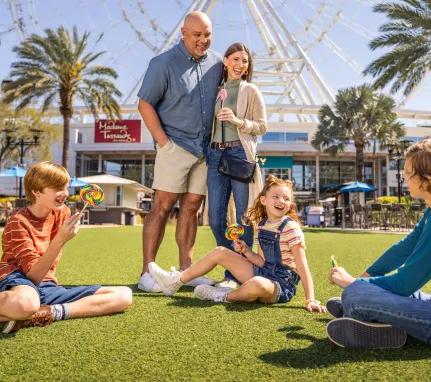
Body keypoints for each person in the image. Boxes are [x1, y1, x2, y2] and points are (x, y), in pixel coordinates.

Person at [326, 138, 431, 350]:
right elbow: (404, 249)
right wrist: (366, 276)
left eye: (408, 171)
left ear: (430, 177)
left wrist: (353, 284)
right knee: (358, 292)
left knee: (355, 294)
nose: (403, 176)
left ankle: (367, 314)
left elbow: (405, 283)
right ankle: (370, 315)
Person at [0, 162, 132, 333]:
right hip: (16, 279)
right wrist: (60, 240)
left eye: (66, 187)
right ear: (36, 192)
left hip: (47, 286)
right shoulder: (18, 222)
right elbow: (32, 277)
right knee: (26, 302)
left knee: (123, 296)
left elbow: (42, 281)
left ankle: (48, 312)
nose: (65, 194)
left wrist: (50, 309)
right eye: (57, 188)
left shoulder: (62, 213)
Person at [147, 176, 326, 312]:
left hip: (281, 284)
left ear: (290, 204)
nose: (281, 201)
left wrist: (310, 298)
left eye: (286, 199)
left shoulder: (291, 228)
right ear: (264, 200)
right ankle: (175, 281)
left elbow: (303, 267)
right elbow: (262, 262)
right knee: (220, 251)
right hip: (262, 271)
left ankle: (224, 296)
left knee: (257, 284)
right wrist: (247, 252)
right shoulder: (262, 225)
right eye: (276, 196)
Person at [136, 11, 223, 292]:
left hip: (204, 150)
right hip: (175, 145)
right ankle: (147, 271)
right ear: (183, 33)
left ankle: (187, 269)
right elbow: (145, 104)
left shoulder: (217, 64)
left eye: (207, 35)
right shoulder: (162, 64)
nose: (203, 40)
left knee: (192, 208)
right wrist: (163, 142)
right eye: (197, 35)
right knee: (162, 206)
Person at [207, 42, 267, 288]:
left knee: (244, 216)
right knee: (216, 218)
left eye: (245, 61)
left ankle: (238, 274)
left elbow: (262, 126)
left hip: (240, 153)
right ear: (225, 61)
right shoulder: (215, 89)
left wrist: (238, 121)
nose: (240, 65)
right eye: (236, 59)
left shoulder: (250, 90)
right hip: (214, 155)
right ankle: (233, 265)